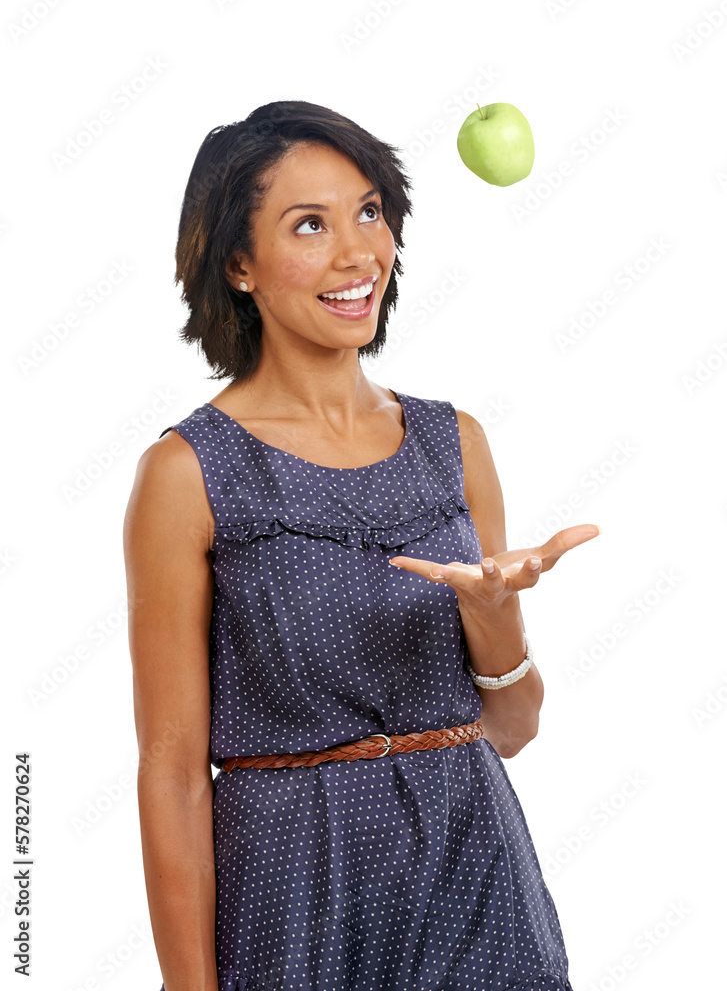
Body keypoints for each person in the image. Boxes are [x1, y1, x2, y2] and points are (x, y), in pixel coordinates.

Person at [123, 100, 598, 991]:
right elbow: (172, 772)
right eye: (310, 224)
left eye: (370, 212)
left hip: (475, 872)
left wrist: (492, 616)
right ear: (238, 264)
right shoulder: (186, 473)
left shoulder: (453, 441)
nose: (356, 255)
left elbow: (511, 727)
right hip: (291, 887)